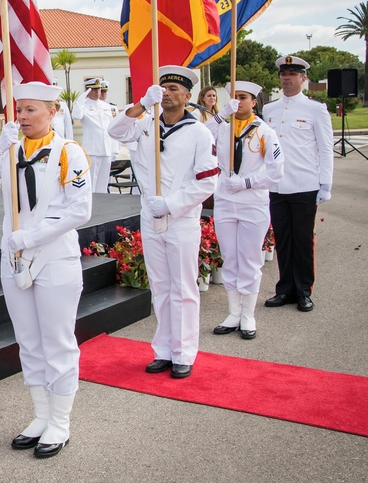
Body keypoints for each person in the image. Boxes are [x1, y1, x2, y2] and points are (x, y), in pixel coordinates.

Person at [0, 82, 91, 458]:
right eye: (19, 110)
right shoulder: (10, 150)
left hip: (54, 256)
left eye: (31, 110)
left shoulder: (68, 152)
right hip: (15, 258)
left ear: (52, 112)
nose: (21, 116)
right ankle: (40, 415)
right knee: (29, 342)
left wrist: (33, 236)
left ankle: (60, 422)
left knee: (57, 341)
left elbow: (79, 211)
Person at [108, 66, 218, 378]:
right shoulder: (143, 124)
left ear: (187, 96)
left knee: (183, 287)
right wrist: (141, 104)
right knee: (160, 286)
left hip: (180, 218)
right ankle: (164, 350)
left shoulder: (199, 132)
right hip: (149, 215)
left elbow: (208, 182)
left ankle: (184, 352)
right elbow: (115, 131)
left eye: (174, 89)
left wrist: (170, 204)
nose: (167, 93)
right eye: (163, 87)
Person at [206, 81, 284, 339]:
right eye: (234, 97)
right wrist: (221, 114)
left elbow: (276, 171)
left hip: (252, 202)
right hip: (226, 201)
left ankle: (248, 314)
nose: (238, 101)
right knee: (230, 258)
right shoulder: (223, 127)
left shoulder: (264, 131)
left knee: (249, 260)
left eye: (243, 97)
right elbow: (200, 135)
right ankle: (233, 312)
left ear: (254, 102)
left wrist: (247, 182)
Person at [261, 55, 334, 312]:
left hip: (304, 184)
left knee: (302, 240)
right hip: (276, 186)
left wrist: (325, 184)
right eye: (283, 74)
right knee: (282, 239)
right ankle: (285, 289)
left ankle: (304, 291)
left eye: (293, 74)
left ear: (304, 78)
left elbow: (325, 149)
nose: (287, 78)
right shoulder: (269, 110)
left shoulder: (316, 109)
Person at [72, 77, 119, 193]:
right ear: (88, 90)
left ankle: (102, 207)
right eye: (94, 89)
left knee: (103, 183)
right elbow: (77, 116)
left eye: (99, 89)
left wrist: (114, 150)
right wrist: (80, 100)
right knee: (91, 182)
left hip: (106, 149)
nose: (98, 92)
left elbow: (111, 128)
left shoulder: (106, 106)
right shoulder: (83, 105)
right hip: (92, 150)